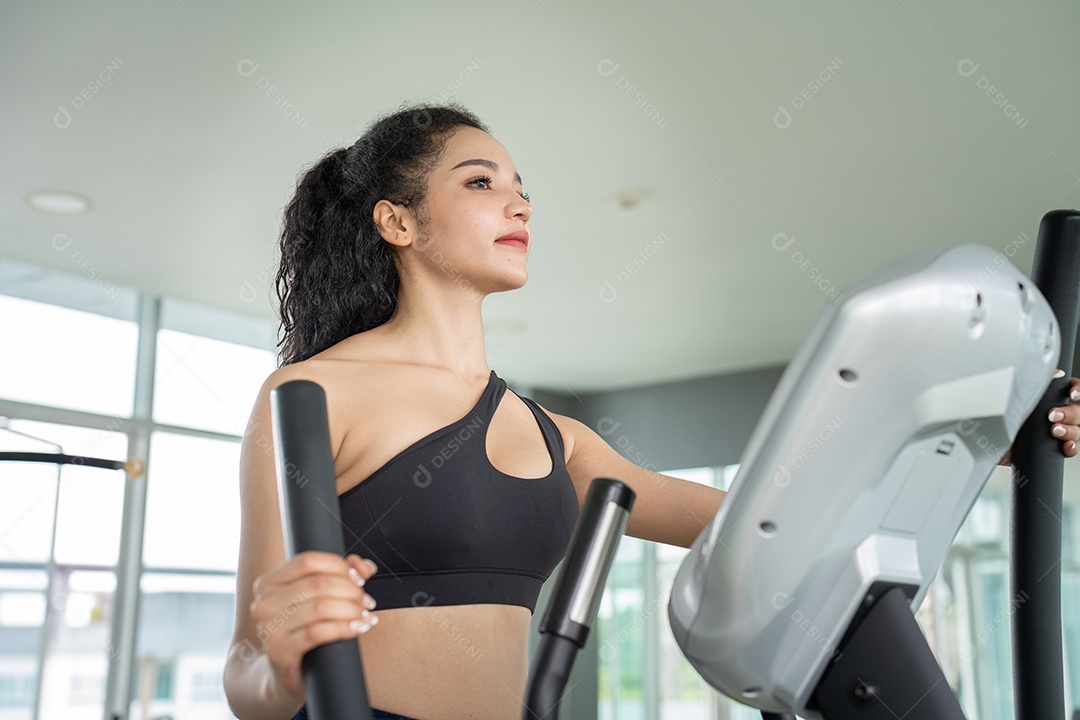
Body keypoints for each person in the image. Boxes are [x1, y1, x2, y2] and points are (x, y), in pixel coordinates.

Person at [222, 102, 1080, 720]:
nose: (520, 203)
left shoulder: (557, 437)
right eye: (482, 182)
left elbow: (766, 519)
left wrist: (985, 433)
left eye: (523, 186)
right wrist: (285, 668)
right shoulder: (311, 396)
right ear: (397, 222)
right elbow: (245, 673)